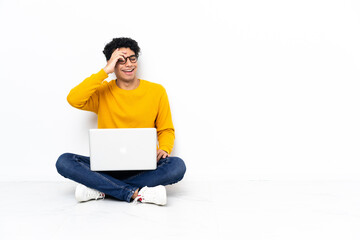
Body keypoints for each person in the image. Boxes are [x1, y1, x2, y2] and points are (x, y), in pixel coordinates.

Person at [56, 37, 186, 206]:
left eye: (132, 58)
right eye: (121, 60)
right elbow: (74, 99)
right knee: (64, 161)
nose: (129, 64)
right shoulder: (102, 92)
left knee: (177, 166)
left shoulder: (157, 91)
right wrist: (104, 72)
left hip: (144, 166)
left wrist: (165, 148)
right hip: (106, 166)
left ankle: (101, 188)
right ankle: (135, 193)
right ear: (112, 64)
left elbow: (166, 129)